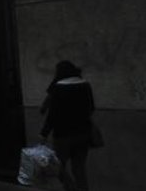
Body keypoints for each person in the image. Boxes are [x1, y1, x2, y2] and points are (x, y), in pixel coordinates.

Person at [40, 60, 95, 191]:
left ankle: (71, 189)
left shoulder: (58, 87)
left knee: (59, 168)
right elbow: (91, 108)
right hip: (83, 134)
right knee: (79, 169)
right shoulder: (85, 85)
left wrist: (44, 133)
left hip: (63, 135)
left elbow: (53, 115)